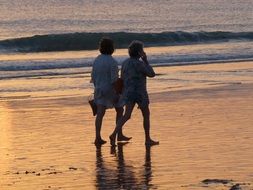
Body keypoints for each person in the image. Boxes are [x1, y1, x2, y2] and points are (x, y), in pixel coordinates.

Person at [110, 40, 159, 146]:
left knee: (127, 115)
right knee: (146, 115)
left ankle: (114, 133)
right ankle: (147, 139)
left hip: (128, 92)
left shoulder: (125, 63)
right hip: (140, 92)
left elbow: (122, 78)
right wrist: (146, 61)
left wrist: (122, 92)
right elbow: (152, 74)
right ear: (139, 53)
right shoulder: (140, 64)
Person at [91, 37, 131, 145]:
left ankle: (97, 137)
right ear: (112, 48)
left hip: (99, 89)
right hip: (110, 90)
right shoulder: (112, 61)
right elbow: (114, 80)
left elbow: (93, 77)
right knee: (120, 109)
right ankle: (119, 133)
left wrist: (97, 87)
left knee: (100, 113)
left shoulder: (97, 60)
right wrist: (119, 92)